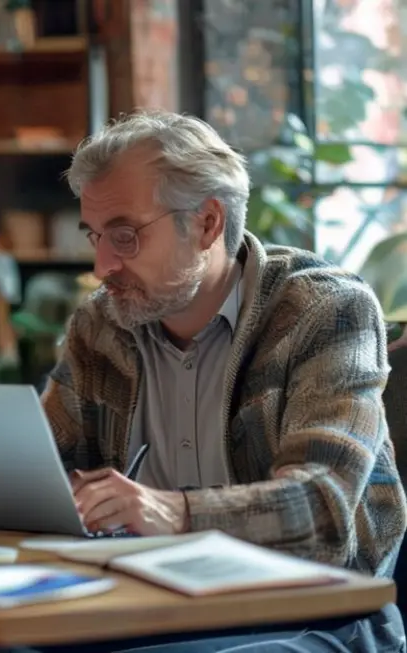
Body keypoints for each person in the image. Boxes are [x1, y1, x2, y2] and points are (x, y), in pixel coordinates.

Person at [34, 110, 406, 651]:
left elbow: (325, 515)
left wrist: (172, 513)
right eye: (95, 235)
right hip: (144, 607)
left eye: (124, 236)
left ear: (208, 223)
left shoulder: (324, 310)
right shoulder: (103, 323)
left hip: (313, 618)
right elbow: (45, 474)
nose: (101, 265)